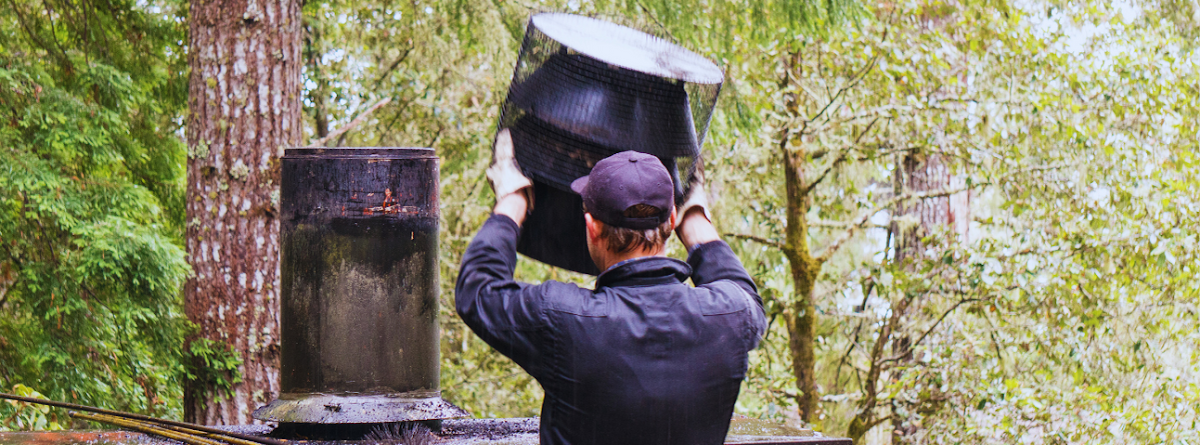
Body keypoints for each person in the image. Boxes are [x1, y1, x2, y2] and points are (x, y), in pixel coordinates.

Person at [455, 129, 766, 445]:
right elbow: (743, 292)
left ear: (591, 226)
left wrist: (513, 199)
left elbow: (478, 290)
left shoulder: (563, 319)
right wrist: (696, 219)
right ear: (671, 219)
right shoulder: (732, 315)